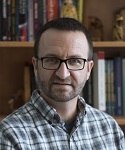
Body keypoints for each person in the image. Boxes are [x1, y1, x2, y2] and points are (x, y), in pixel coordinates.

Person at [0, 18, 124, 149]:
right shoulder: (10, 135)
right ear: (36, 67)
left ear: (88, 69)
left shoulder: (110, 130)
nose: (63, 74)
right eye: (52, 60)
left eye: (75, 61)